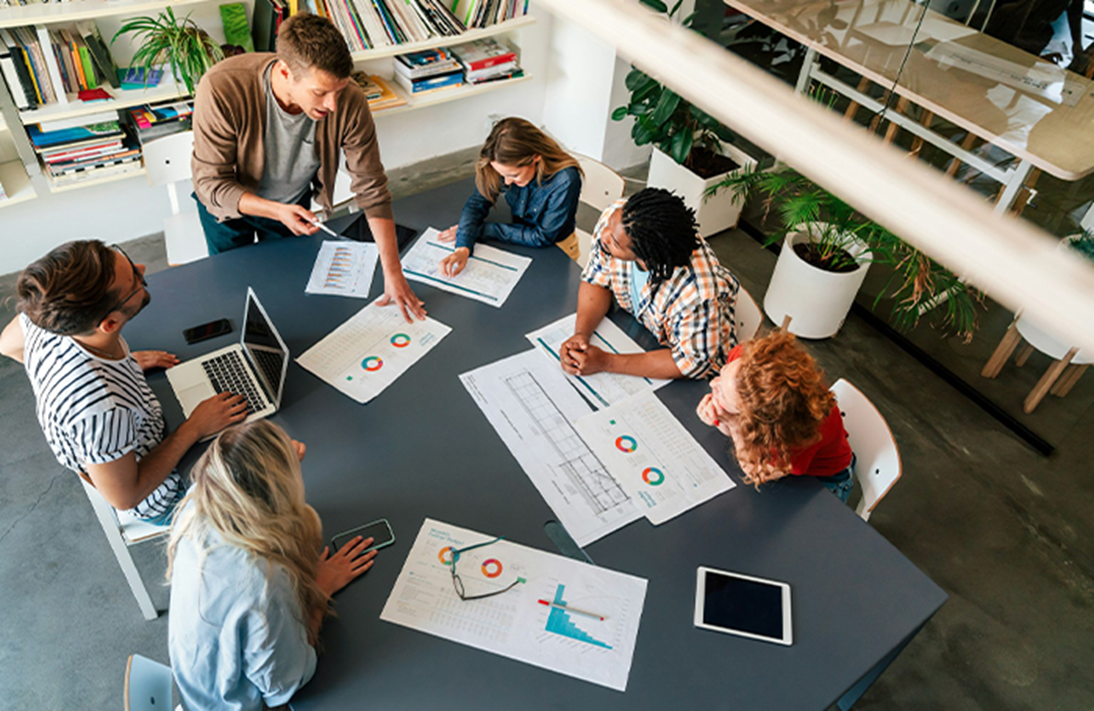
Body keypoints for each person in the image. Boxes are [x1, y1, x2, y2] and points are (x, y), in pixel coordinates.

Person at [191, 12, 425, 321]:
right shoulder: (222, 87)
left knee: (291, 293)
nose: (333, 105)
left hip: (293, 205)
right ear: (285, 71)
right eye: (320, 92)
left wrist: (393, 273)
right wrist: (274, 210)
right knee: (238, 295)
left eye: (339, 91)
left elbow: (371, 188)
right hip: (230, 209)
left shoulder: (349, 101)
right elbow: (210, 184)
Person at [0, 241, 245, 521]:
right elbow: (126, 497)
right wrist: (194, 427)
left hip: (134, 425)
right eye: (135, 282)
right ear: (110, 324)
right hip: (162, 491)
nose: (142, 268)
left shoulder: (42, 317)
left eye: (128, 262)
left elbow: (6, 345)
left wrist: (115, 366)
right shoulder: (99, 409)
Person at [167, 420, 376, 711]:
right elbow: (285, 685)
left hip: (199, 688)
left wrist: (274, 461)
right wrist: (319, 590)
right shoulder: (262, 582)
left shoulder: (198, 500)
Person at [559, 188, 739, 381]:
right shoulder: (623, 220)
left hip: (697, 372)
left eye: (615, 244)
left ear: (648, 257)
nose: (604, 235)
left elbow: (691, 363)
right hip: (643, 334)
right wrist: (581, 334)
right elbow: (597, 280)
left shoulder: (697, 293)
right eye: (609, 226)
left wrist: (606, 362)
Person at [696, 330, 855, 502]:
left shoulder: (792, 432)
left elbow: (756, 471)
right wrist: (721, 417)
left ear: (755, 417)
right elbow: (741, 431)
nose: (713, 383)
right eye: (723, 372)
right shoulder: (745, 363)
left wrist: (733, 425)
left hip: (822, 480)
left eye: (723, 393)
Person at [436, 117, 583, 276]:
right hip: (516, 237)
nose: (506, 181)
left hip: (556, 248)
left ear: (535, 157)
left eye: (514, 175)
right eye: (502, 175)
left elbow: (542, 236)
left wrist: (479, 229)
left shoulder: (566, 180)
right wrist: (463, 247)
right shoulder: (501, 161)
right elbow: (477, 203)